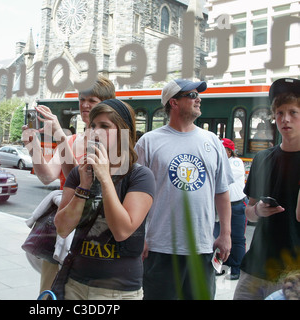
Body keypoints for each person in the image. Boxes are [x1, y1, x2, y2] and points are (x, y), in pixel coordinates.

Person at [135, 79, 233, 300]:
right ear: (174, 102)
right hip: (160, 248)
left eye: (199, 95)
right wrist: (138, 235)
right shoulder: (148, 142)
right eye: (192, 95)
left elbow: (222, 191)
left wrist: (225, 234)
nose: (198, 99)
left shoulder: (213, 141)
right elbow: (136, 196)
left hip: (202, 248)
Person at [22, 76, 116, 292]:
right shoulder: (73, 140)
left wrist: (58, 135)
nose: (84, 105)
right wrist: (32, 145)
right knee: (50, 292)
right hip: (63, 226)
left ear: (107, 103)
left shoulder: (113, 141)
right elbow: (47, 176)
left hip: (93, 232)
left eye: (91, 100)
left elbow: (80, 179)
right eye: (81, 99)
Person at [54, 99, 155, 300]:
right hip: (76, 284)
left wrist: (105, 178)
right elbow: (63, 228)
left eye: (104, 126)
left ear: (123, 132)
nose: (95, 132)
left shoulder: (140, 176)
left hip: (118, 291)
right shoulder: (79, 173)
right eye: (92, 126)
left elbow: (122, 231)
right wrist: (83, 187)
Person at [233, 78, 300, 300]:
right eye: (280, 113)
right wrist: (258, 210)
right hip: (255, 270)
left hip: (293, 275)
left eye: (293, 112)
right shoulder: (262, 158)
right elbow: (249, 210)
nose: (286, 119)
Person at [214, 138, 247, 280]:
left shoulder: (236, 162)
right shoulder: (222, 161)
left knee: (237, 239)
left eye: (222, 150)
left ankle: (236, 269)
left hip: (237, 206)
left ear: (229, 151)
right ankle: (218, 267)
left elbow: (221, 175)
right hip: (221, 207)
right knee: (216, 238)